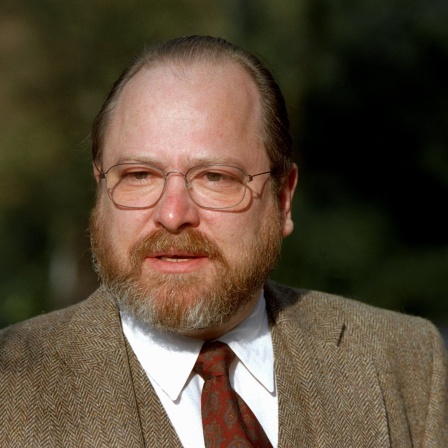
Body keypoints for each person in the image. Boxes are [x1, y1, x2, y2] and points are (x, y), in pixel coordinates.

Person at [0, 35, 446, 447]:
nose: (173, 215)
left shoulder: (406, 363)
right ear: (100, 191)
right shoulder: (12, 386)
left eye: (216, 177)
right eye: (139, 175)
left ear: (283, 198)